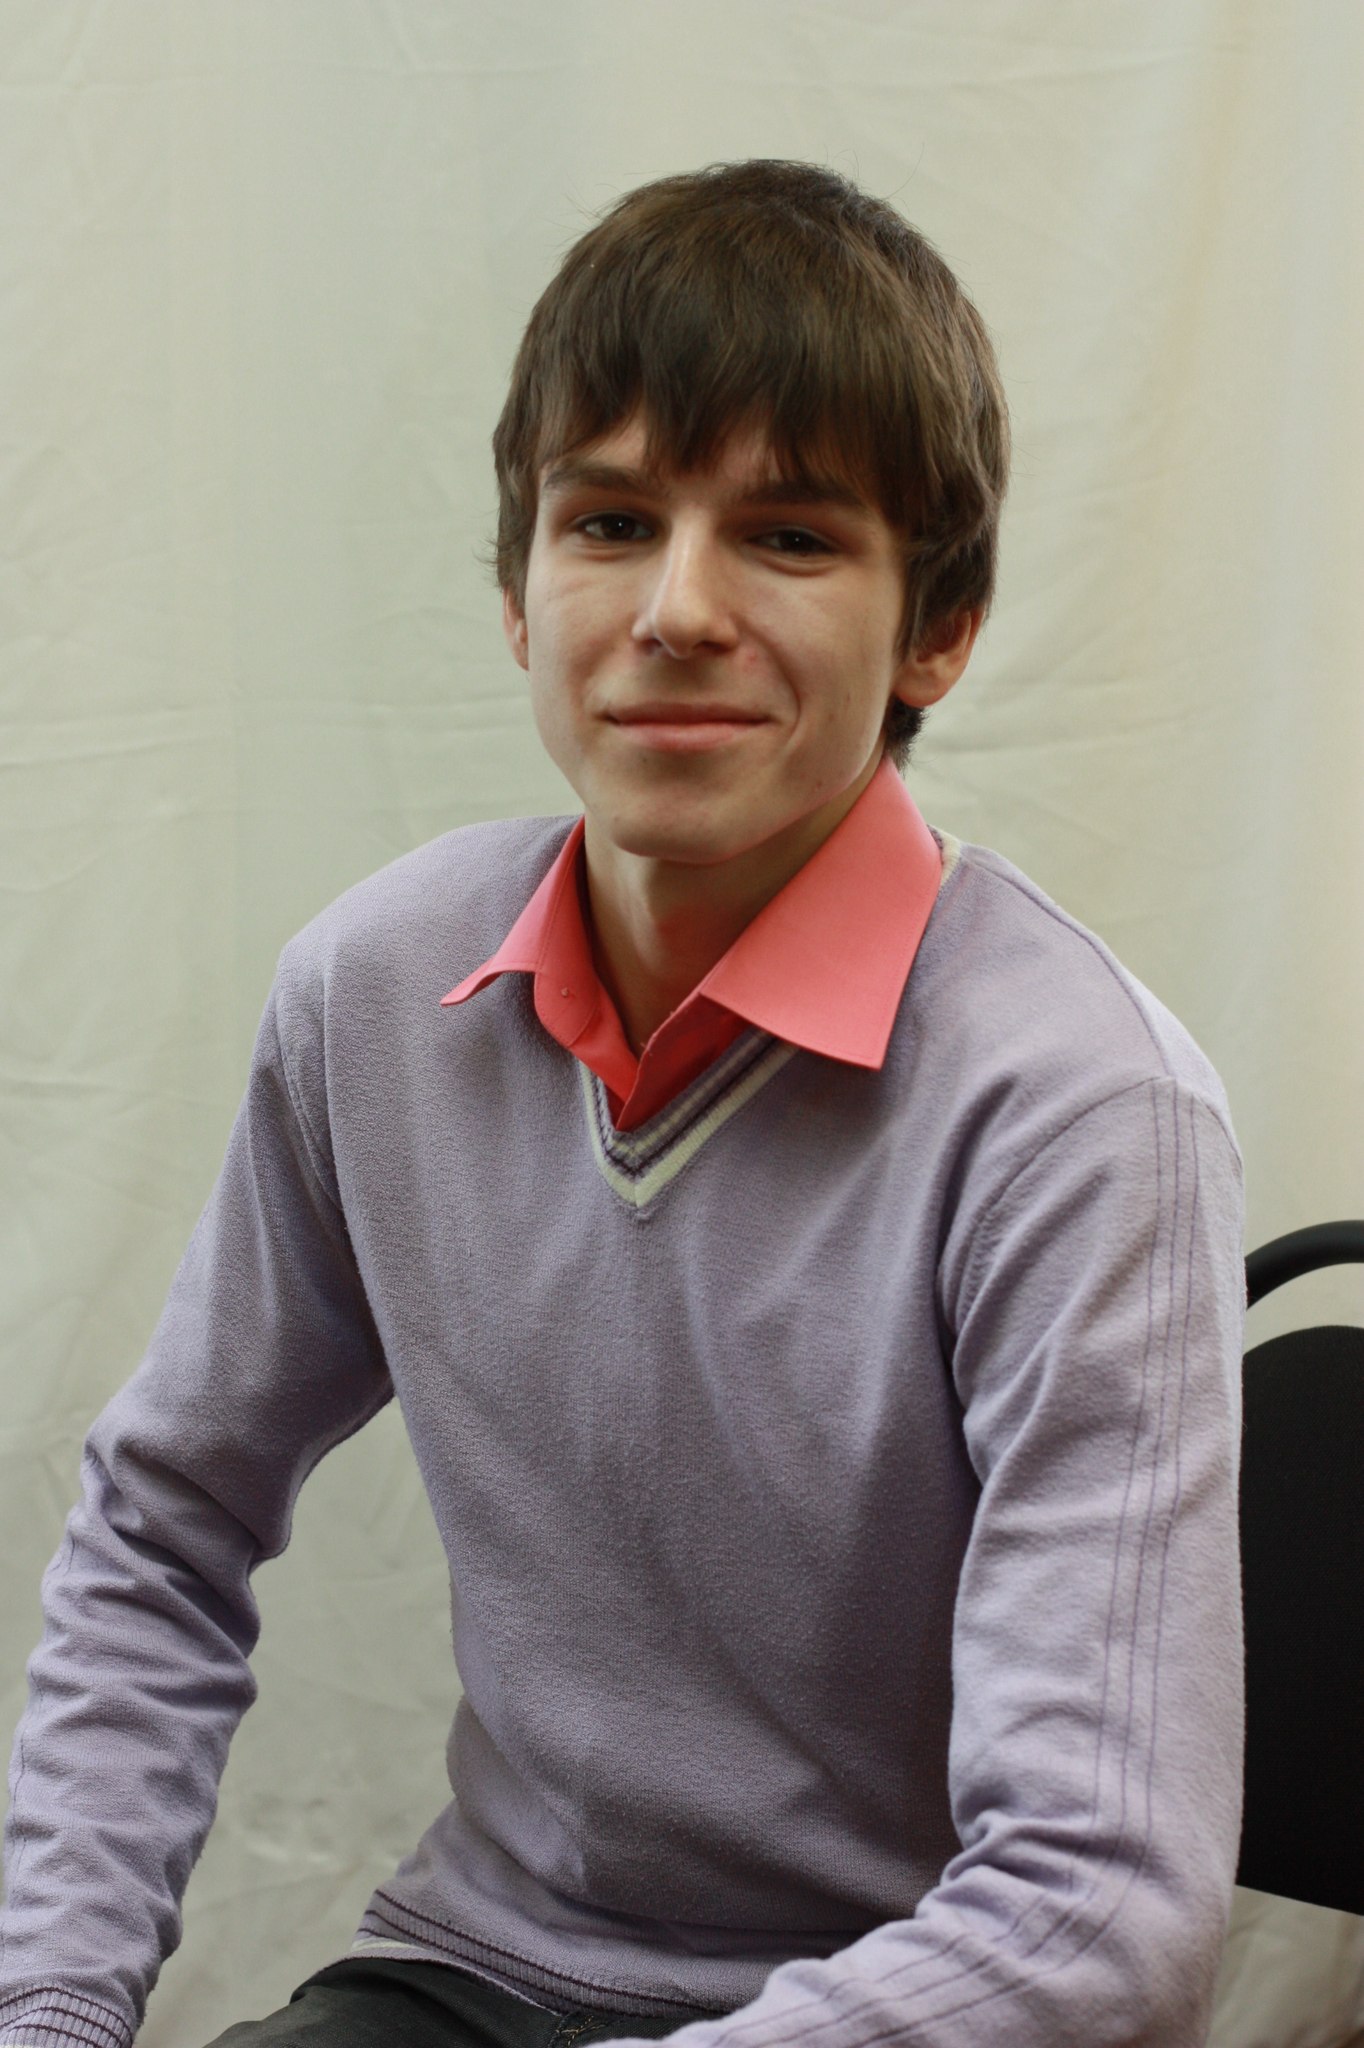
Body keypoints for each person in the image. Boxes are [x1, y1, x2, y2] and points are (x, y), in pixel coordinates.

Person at [0, 159, 1246, 2048]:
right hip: (478, 1973)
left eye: (791, 536)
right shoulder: (371, 993)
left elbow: (1099, 1912)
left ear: (939, 626)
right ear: (519, 591)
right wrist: (50, 2011)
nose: (676, 609)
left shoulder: (1087, 1114)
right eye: (609, 520)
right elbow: (163, 1531)